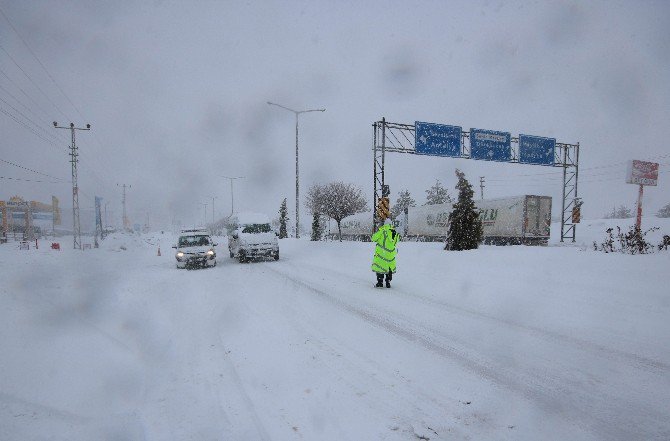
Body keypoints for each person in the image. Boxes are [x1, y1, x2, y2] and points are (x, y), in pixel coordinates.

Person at [371, 218, 400, 288]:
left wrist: (379, 231)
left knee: (380, 267)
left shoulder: (382, 231)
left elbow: (373, 238)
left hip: (382, 254)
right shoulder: (395, 233)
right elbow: (396, 242)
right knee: (389, 268)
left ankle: (380, 282)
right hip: (390, 254)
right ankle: (388, 282)